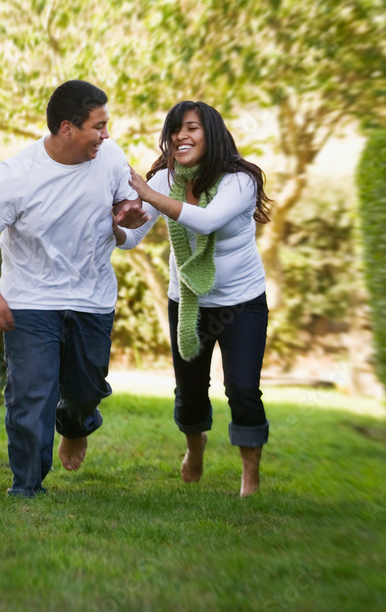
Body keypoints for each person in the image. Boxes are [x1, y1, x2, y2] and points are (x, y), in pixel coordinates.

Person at [0, 80, 149, 498]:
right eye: (98, 127)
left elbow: (123, 206)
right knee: (31, 394)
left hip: (92, 297)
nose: (106, 135)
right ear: (67, 128)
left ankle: (76, 422)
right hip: (31, 300)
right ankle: (27, 486)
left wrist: (128, 213)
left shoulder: (110, 156)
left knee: (87, 388)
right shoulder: (15, 177)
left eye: (107, 125)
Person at [117, 100, 273, 497]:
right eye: (174, 130)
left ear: (212, 133)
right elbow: (132, 240)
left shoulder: (239, 180)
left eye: (191, 128)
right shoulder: (167, 179)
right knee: (189, 389)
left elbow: (205, 219)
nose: (180, 136)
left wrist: (149, 195)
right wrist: (118, 225)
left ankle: (249, 475)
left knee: (242, 389)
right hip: (188, 302)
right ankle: (195, 448)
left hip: (241, 302)